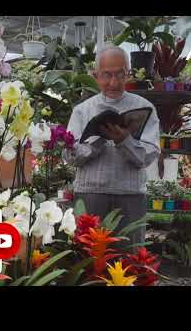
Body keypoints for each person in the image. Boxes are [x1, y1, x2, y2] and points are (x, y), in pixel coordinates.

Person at [63, 45, 160, 246]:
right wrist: (97, 141)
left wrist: (124, 141)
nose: (114, 82)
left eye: (120, 75)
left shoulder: (143, 108)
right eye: (107, 75)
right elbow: (69, 155)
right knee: (89, 259)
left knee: (128, 259)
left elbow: (149, 154)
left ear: (129, 74)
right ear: (96, 75)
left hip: (130, 195)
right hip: (90, 194)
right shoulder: (82, 111)